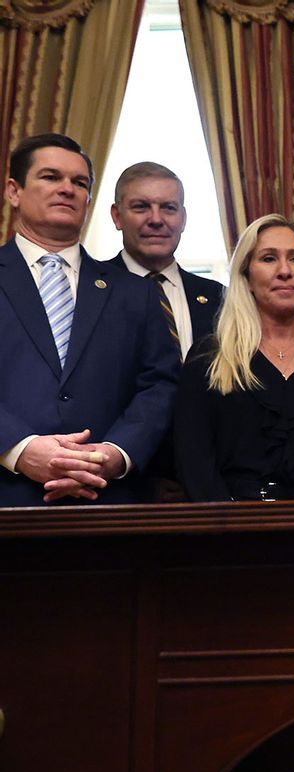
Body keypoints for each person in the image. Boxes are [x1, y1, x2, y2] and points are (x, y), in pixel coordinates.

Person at [0, 133, 178, 505]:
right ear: (14, 191)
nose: (67, 189)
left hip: (107, 503)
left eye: (79, 183)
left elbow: (159, 385)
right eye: (51, 177)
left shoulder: (136, 292)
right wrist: (19, 448)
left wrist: (114, 455)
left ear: (89, 200)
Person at [174, 215, 294, 501]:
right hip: (227, 533)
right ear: (246, 276)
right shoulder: (208, 361)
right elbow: (194, 464)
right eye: (268, 258)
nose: (285, 271)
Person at [106, 161, 224, 360]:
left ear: (183, 219)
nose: (156, 220)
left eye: (168, 208)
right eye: (141, 207)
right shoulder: (90, 289)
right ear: (117, 217)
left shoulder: (219, 298)